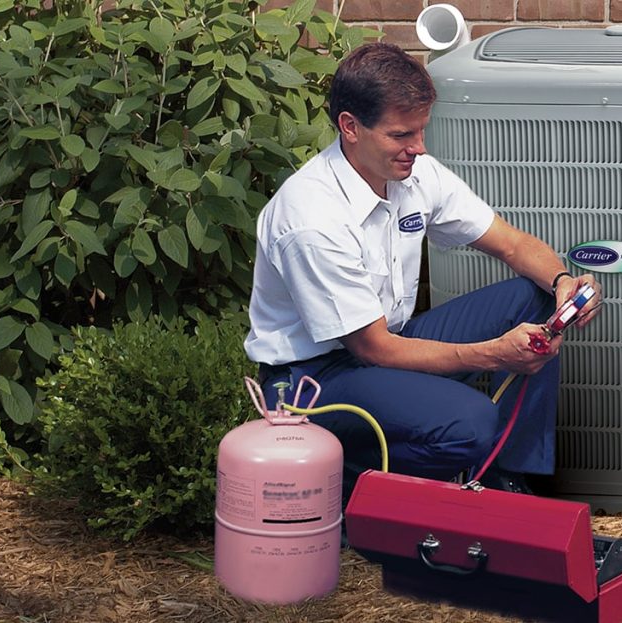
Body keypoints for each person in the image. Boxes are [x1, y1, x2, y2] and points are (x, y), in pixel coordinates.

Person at [244, 42, 602, 498]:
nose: (419, 148)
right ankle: (351, 481)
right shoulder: (312, 219)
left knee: (533, 298)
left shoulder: (413, 174)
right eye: (401, 135)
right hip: (314, 380)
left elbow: (511, 243)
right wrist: (495, 353)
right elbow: (373, 348)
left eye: (420, 131)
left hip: (388, 343)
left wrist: (563, 283)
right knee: (471, 422)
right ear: (350, 127)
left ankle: (506, 478)